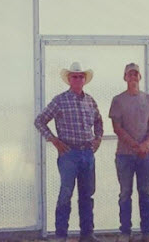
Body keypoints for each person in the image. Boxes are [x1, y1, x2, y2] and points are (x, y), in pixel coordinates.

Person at [35, 62, 104, 242]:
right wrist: (54, 140)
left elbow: (98, 121)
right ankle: (61, 235)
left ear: (84, 80)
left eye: (81, 76)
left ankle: (87, 234)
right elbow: (40, 121)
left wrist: (98, 138)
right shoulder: (60, 100)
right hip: (69, 154)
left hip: (87, 153)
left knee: (87, 194)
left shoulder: (90, 101)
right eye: (74, 76)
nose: (78, 79)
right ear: (68, 79)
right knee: (66, 193)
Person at [109, 63, 149, 242]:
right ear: (125, 77)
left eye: (136, 74)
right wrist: (134, 146)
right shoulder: (117, 100)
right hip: (124, 155)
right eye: (130, 74)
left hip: (146, 155)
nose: (133, 77)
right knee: (125, 193)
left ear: (140, 77)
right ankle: (125, 232)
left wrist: (145, 145)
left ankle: (146, 233)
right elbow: (117, 128)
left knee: (145, 193)